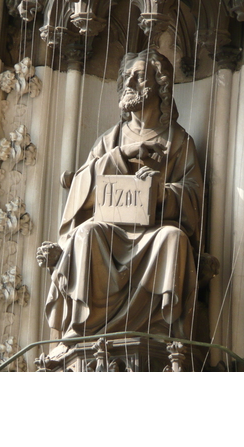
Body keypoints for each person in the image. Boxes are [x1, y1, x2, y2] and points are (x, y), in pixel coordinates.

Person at [38, 48, 204, 341]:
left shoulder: (178, 141)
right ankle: (82, 327)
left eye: (139, 77)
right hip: (109, 234)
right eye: (126, 77)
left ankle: (161, 334)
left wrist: (160, 194)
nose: (129, 84)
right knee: (85, 234)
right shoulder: (109, 140)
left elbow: (193, 195)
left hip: (152, 234)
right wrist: (122, 155)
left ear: (160, 85)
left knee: (174, 238)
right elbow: (80, 188)